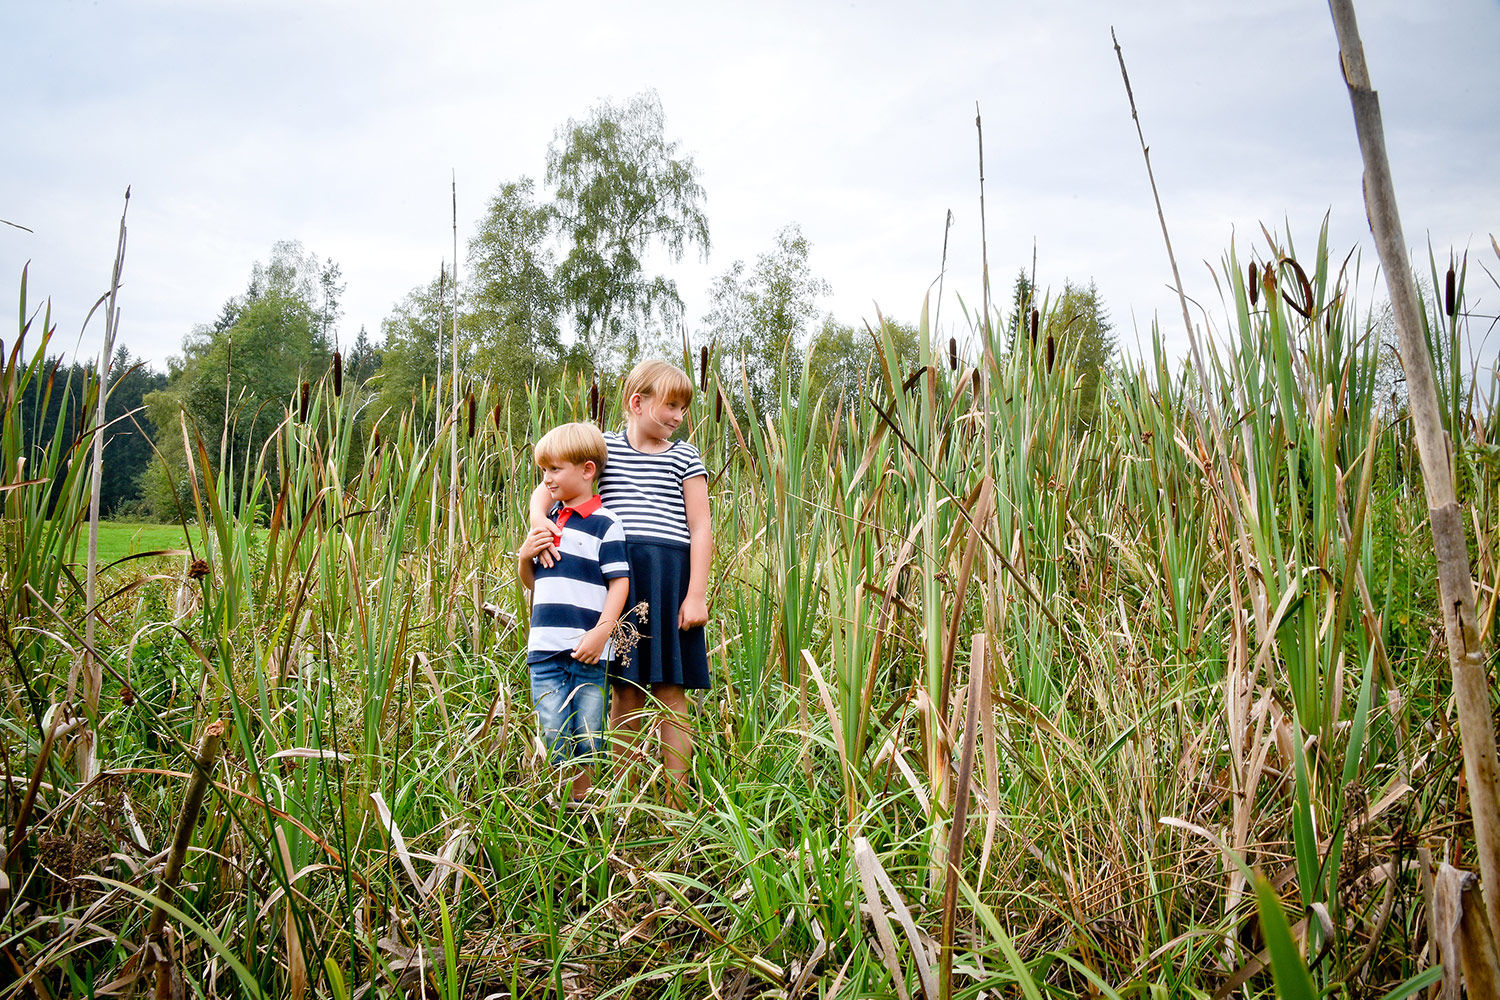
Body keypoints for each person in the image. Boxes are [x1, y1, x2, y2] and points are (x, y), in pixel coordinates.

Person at [530, 360, 711, 805]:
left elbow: (701, 525)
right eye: (671, 406)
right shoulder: (604, 450)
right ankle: (627, 799)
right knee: (625, 689)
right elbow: (545, 488)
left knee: (672, 690)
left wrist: (696, 593)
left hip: (670, 581)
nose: (678, 416)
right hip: (616, 581)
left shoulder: (684, 456)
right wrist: (541, 525)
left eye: (682, 408)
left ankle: (675, 801)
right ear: (637, 403)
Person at [517, 422, 630, 805]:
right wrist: (523, 557)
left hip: (589, 650)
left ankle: (585, 806)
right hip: (545, 649)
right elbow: (536, 584)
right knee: (553, 731)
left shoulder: (607, 525)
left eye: (555, 469)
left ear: (587, 470)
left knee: (589, 733)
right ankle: (564, 806)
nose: (547, 479)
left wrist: (602, 633)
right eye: (544, 470)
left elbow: (619, 584)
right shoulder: (547, 524)